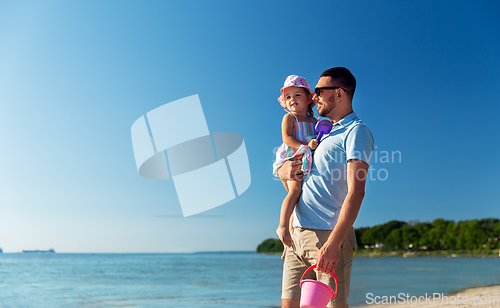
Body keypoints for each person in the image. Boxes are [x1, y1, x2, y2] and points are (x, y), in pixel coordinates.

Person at [278, 67, 374, 308]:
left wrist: (333, 243)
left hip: (327, 237)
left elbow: (357, 192)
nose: (313, 97)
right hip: (297, 238)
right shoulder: (324, 132)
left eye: (319, 91)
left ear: (339, 94)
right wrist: (283, 171)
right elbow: (297, 169)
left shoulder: (356, 131)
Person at [273, 75, 319, 249]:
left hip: (305, 158)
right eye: (289, 96)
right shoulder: (291, 118)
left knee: (298, 199)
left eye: (297, 95)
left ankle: (288, 242)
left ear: (309, 98)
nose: (292, 99)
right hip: (292, 157)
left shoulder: (315, 122)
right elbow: (287, 138)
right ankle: (282, 226)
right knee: (295, 191)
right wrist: (307, 144)